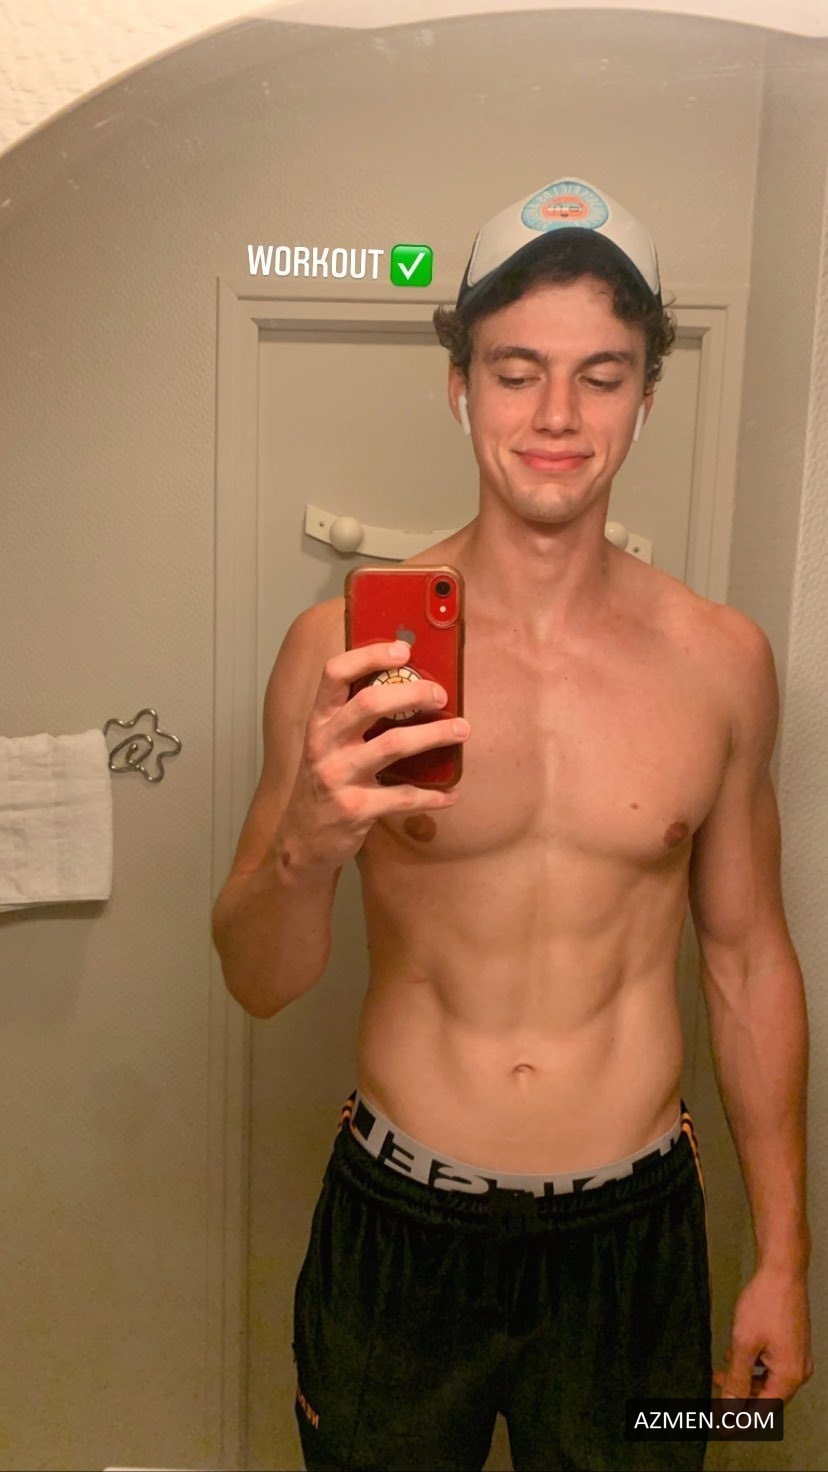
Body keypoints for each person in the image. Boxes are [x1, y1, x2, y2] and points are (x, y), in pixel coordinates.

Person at [211, 176, 812, 1471]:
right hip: (398, 1230)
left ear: (647, 397)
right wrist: (307, 844)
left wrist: (782, 1257)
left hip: (634, 1247)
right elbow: (258, 980)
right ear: (459, 386)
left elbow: (747, 958)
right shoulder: (337, 652)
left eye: (602, 375)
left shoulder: (722, 661)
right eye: (516, 370)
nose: (555, 415)